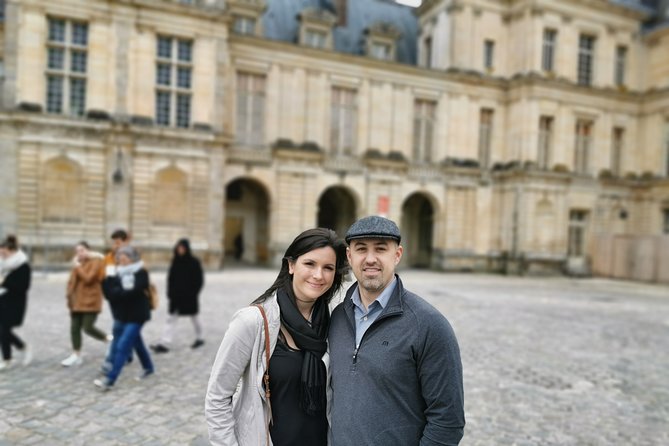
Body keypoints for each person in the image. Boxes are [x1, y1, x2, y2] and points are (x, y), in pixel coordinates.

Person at [328, 216, 465, 445]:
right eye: (361, 249)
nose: (370, 259)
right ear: (349, 256)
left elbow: (448, 421)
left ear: (397, 255)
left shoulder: (429, 325)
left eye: (380, 249)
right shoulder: (337, 318)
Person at [205, 228, 348, 446]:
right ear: (291, 265)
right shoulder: (252, 321)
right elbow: (217, 397)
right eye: (309, 264)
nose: (318, 275)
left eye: (328, 268)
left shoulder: (334, 324)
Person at [94, 246, 154, 390]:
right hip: (122, 315)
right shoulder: (116, 273)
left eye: (125, 256)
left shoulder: (141, 272)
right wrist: (108, 282)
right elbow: (109, 293)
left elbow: (135, 291)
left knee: (123, 345)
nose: (121, 258)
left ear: (132, 258)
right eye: (120, 256)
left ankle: (110, 379)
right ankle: (148, 367)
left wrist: (118, 292)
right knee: (136, 342)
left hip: (137, 315)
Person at [150, 238, 205, 354]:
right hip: (175, 298)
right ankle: (164, 343)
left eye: (182, 248)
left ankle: (200, 337)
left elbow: (199, 280)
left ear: (186, 249)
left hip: (189, 297)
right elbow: (170, 279)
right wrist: (170, 293)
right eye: (178, 248)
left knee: (194, 318)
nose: (180, 250)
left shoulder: (194, 262)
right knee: (171, 319)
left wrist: (192, 293)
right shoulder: (175, 261)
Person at [61, 241, 111, 367]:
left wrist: (77, 267)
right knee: (74, 328)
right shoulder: (79, 263)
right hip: (76, 301)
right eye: (77, 251)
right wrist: (69, 295)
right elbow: (72, 281)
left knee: (88, 327)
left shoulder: (97, 261)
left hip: (91, 300)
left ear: (88, 250)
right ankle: (76, 355)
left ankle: (110, 340)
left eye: (82, 250)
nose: (79, 253)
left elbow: (89, 279)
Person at [101, 229, 131, 373]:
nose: (115, 246)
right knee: (127, 328)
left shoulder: (132, 257)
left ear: (125, 242)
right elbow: (106, 279)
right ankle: (128, 353)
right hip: (114, 299)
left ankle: (110, 361)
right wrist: (108, 295)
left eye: (118, 243)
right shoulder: (109, 258)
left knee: (119, 328)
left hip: (128, 298)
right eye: (114, 243)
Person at [0, 235, 32, 371]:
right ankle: (21, 348)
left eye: (4, 252)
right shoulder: (2, 263)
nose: (2, 255)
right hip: (2, 299)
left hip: (15, 302)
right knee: (2, 330)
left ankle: (8, 358)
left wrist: (4, 282)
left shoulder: (23, 265)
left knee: (3, 330)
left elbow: (23, 286)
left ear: (11, 250)